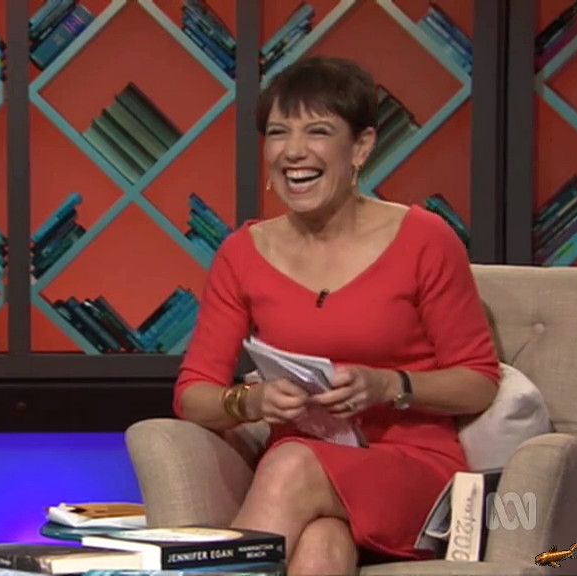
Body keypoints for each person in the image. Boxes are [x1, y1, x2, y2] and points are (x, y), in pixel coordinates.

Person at [174, 57, 499, 575]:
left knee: (290, 464)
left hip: (412, 469)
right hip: (305, 470)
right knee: (320, 547)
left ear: (361, 147)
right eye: (278, 132)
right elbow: (193, 394)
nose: (293, 151)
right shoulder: (242, 254)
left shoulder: (425, 240)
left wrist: (389, 385)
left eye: (318, 131)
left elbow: (478, 381)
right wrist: (252, 401)